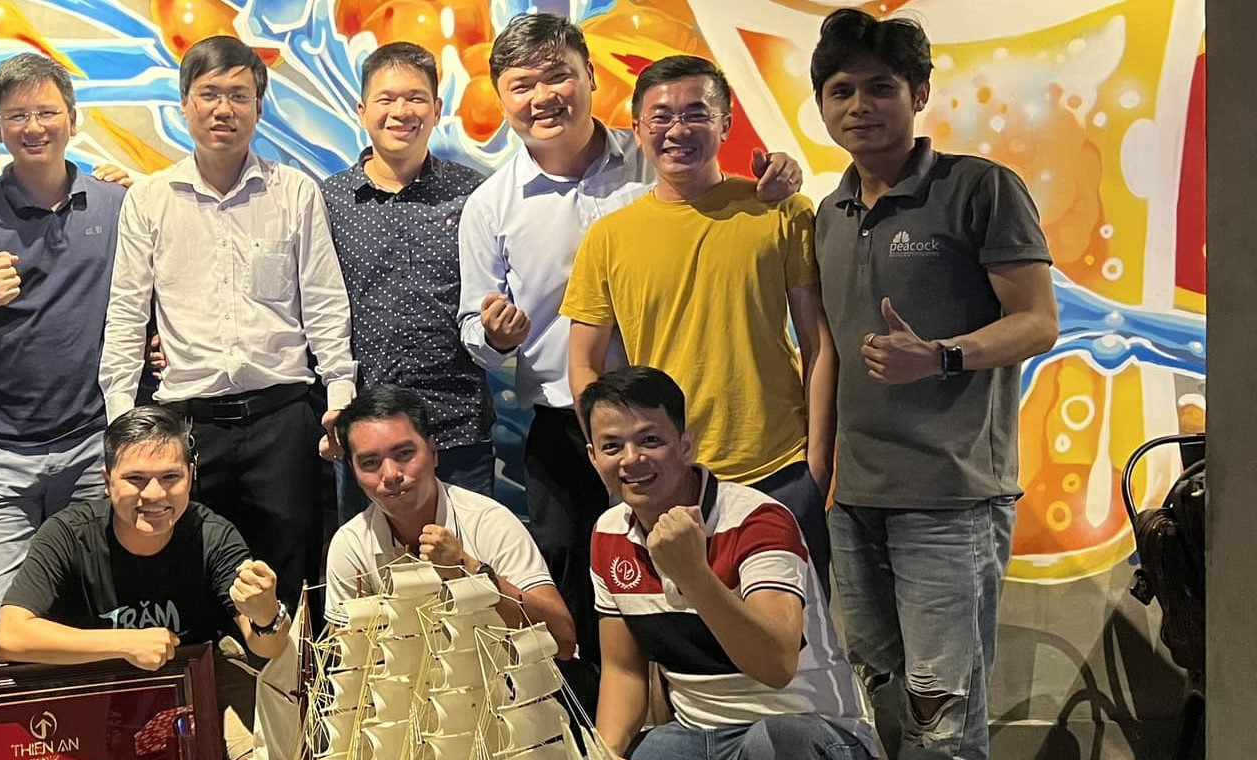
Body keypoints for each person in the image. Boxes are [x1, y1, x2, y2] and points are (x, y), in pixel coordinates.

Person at [806, 10, 1057, 760]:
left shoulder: (977, 188)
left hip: (951, 499)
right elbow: (829, 352)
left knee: (940, 709)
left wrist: (942, 356)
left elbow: (1036, 320)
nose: (860, 105)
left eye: (880, 87)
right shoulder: (829, 213)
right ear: (821, 103)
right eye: (841, 89)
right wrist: (820, 474)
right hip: (855, 498)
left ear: (917, 94)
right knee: (891, 699)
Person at [458, 14, 800, 671]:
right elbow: (476, 327)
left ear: (590, 78)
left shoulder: (657, 152)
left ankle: (707, 708)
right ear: (501, 98)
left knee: (700, 577)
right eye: (522, 85)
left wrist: (782, 175)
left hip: (674, 421)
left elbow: (732, 209)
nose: (543, 97)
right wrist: (494, 337)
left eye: (558, 76)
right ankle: (599, 723)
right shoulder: (491, 205)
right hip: (567, 426)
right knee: (584, 586)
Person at [583, 367, 875, 760]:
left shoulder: (760, 520)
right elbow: (624, 671)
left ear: (685, 445)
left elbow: (775, 662)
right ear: (593, 456)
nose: (632, 459)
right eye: (612, 445)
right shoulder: (608, 534)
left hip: (817, 745)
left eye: (650, 440)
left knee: (781, 746)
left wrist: (694, 574)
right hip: (699, 744)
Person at [99, 35, 356, 605]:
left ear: (258, 107)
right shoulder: (149, 198)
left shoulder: (295, 192)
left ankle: (292, 667)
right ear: (185, 105)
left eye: (239, 95)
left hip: (283, 419)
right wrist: (121, 418)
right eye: (209, 94)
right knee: (193, 582)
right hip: (187, 425)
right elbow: (126, 312)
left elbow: (324, 301)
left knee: (291, 580)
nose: (224, 109)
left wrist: (340, 390)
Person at [561, 55, 837, 579]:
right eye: (661, 116)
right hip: (665, 478)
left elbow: (818, 344)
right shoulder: (608, 238)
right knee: (679, 626)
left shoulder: (781, 211)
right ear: (637, 129)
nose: (678, 130)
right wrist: (614, 458)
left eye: (696, 113)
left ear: (726, 125)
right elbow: (583, 365)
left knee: (795, 629)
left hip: (778, 469)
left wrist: (818, 464)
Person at [0, 54, 132, 660]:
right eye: (16, 115)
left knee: (97, 609)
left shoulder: (115, 203)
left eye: (46, 112)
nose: (33, 126)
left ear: (72, 119)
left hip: (92, 439)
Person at [0, 406, 290, 760]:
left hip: (194, 689)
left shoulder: (213, 536)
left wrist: (266, 613)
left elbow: (268, 646)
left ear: (191, 475)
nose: (154, 494)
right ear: (107, 480)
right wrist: (126, 643)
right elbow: (10, 637)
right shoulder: (67, 534)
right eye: (135, 479)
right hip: (96, 692)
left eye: (170, 477)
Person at [318, 42, 494, 518]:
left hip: (457, 425)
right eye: (386, 98)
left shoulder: (473, 194)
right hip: (366, 435)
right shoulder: (328, 201)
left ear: (436, 109)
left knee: (470, 558)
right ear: (362, 111)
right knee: (375, 562)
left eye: (415, 98)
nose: (401, 111)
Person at [326, 384, 576, 660]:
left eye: (404, 454)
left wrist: (469, 569)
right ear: (353, 471)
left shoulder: (488, 522)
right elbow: (347, 658)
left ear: (433, 452)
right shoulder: (351, 544)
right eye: (370, 463)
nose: (391, 474)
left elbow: (563, 640)